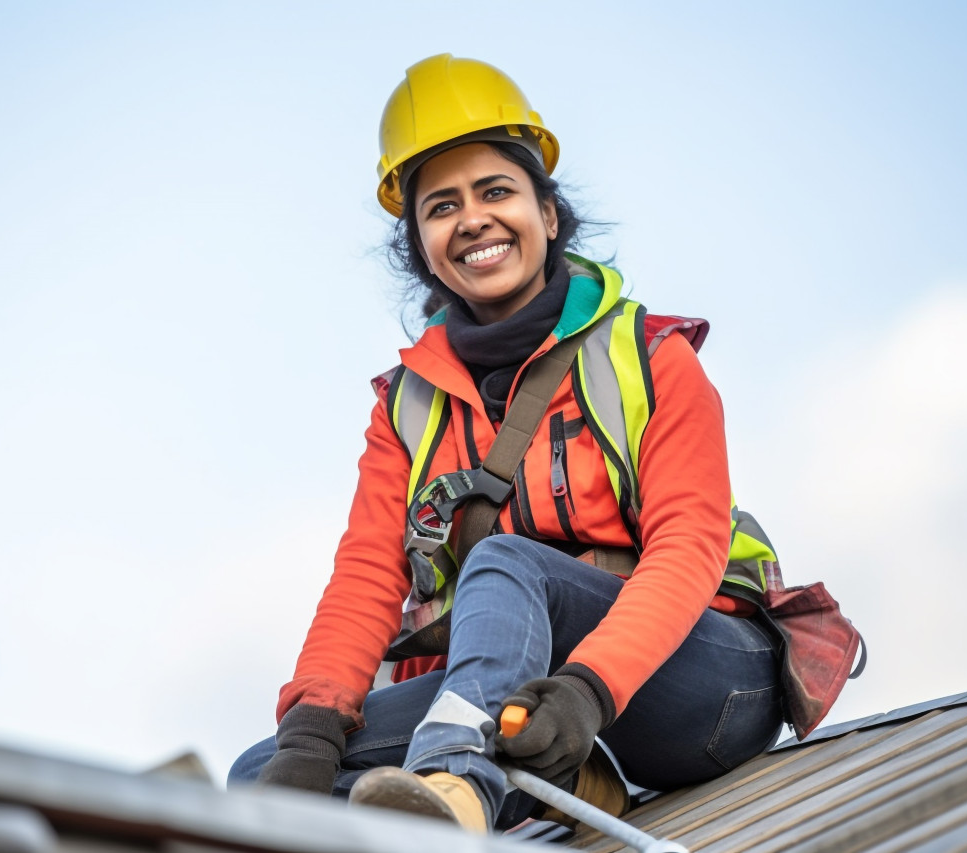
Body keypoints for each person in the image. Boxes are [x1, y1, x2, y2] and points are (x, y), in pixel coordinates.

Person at [228, 53, 784, 833]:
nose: (474, 219)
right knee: (263, 774)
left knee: (505, 560)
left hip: (702, 686)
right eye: (442, 206)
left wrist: (589, 687)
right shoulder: (404, 410)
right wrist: (313, 724)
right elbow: (364, 580)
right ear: (420, 243)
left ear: (548, 215)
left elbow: (689, 545)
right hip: (527, 706)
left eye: (496, 191)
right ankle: (575, 778)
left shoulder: (653, 357)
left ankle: (461, 791)